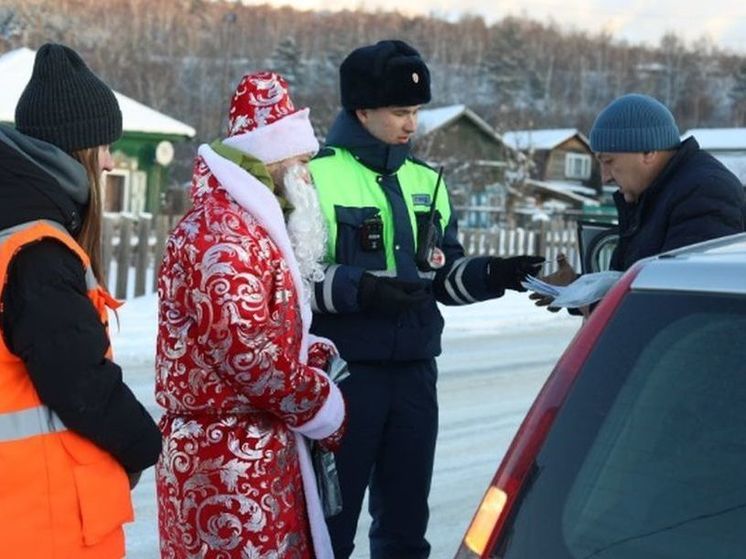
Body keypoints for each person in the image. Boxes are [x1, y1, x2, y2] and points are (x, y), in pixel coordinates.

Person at [307, 40, 544, 559]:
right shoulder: (314, 177)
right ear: (361, 110)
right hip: (346, 376)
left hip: (416, 374)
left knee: (406, 526)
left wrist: (491, 275)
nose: (410, 124)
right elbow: (295, 281)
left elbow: (441, 275)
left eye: (415, 111)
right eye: (399, 111)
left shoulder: (428, 181)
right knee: (330, 527)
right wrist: (360, 288)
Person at [155, 71, 346, 559]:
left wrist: (310, 352)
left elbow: (259, 332)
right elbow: (245, 354)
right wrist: (322, 405)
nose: (307, 175)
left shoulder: (246, 222)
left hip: (249, 451)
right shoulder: (222, 233)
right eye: (302, 161)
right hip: (226, 464)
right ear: (275, 158)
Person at [0, 43, 162, 557]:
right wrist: (141, 443)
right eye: (103, 147)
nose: (111, 163)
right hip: (43, 515)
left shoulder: (18, 228)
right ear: (75, 151)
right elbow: (78, 380)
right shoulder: (39, 250)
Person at [533, 93, 746, 306]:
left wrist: (594, 304)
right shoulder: (653, 194)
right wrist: (579, 287)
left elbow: (687, 299)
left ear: (649, 152)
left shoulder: (704, 192)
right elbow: (640, 282)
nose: (605, 177)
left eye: (608, 161)